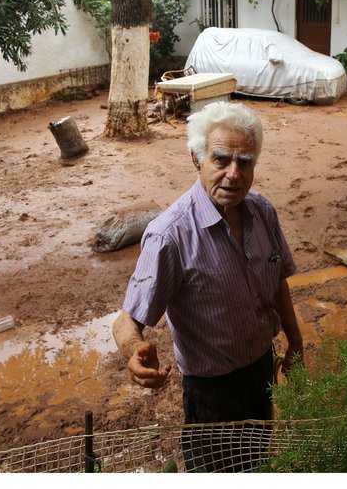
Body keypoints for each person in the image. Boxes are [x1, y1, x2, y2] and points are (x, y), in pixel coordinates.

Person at [112, 100, 303, 471]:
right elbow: (127, 321)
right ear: (197, 159)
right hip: (211, 392)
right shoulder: (170, 235)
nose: (234, 174)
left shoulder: (262, 212)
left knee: (256, 460)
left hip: (262, 369)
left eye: (245, 162)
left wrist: (295, 342)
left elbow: (278, 280)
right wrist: (134, 351)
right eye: (221, 160)